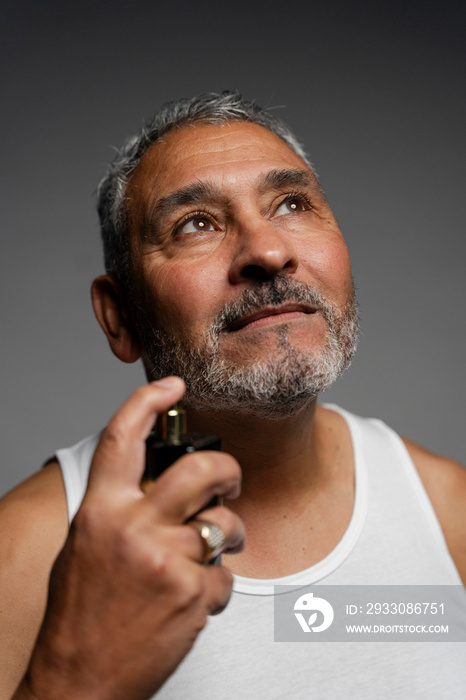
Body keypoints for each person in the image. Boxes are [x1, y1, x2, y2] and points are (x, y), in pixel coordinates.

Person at [1, 92, 465, 699]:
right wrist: (74, 679)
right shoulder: (22, 561)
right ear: (121, 319)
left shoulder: (449, 514)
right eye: (195, 224)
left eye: (291, 204)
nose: (269, 253)